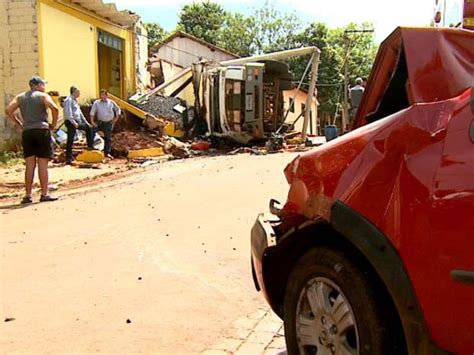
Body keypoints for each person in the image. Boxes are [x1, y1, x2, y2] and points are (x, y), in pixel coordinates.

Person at [5, 76, 59, 203]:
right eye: (42, 84)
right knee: (42, 164)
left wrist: (19, 123)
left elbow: (8, 110)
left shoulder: (20, 97)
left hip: (27, 132)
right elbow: (55, 109)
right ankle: (44, 193)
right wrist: (53, 124)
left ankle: (28, 195)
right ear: (37, 85)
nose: (44, 87)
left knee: (29, 165)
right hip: (41, 130)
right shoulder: (43, 96)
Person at [63, 85, 94, 165]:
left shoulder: (75, 101)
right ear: (74, 92)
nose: (79, 93)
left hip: (77, 121)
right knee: (70, 138)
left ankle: (90, 147)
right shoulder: (68, 100)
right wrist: (73, 122)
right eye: (78, 91)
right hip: (71, 122)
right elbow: (68, 112)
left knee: (88, 128)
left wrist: (87, 123)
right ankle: (68, 158)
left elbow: (80, 114)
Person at [90, 89, 121, 159]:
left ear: (106, 95)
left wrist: (115, 119)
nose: (102, 96)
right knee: (91, 131)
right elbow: (92, 112)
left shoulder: (111, 103)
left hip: (108, 123)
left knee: (108, 138)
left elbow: (118, 110)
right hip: (100, 122)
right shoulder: (97, 103)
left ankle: (107, 153)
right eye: (101, 95)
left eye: (103, 95)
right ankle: (91, 148)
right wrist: (92, 122)